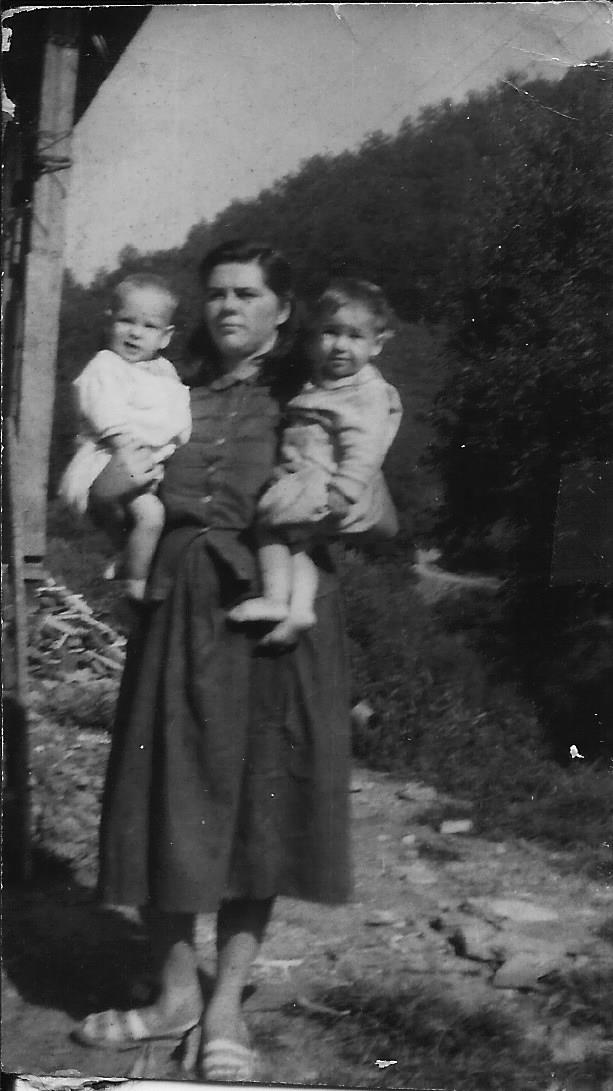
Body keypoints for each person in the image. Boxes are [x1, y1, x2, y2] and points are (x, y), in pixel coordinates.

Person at [72, 241, 352, 1082]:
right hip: (178, 609)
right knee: (164, 796)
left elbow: (373, 507)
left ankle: (224, 1005)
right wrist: (112, 485)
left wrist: (352, 503)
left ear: (282, 310)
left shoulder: (310, 398)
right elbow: (104, 499)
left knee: (256, 815)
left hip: (274, 623)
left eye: (247, 294)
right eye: (217, 294)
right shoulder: (165, 386)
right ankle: (171, 994)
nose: (228, 307)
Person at [228, 278, 403, 646]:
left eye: (355, 336)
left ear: (378, 344)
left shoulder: (367, 394)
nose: (340, 345)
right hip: (308, 483)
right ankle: (301, 611)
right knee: (299, 544)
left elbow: (365, 451)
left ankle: (276, 599)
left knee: (269, 528)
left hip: (325, 487)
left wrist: (342, 492)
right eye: (330, 333)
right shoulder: (325, 384)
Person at [58, 273, 191, 600]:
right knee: (150, 515)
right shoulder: (106, 365)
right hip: (109, 456)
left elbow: (174, 408)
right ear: (110, 322)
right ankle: (133, 583)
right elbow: (104, 409)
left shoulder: (165, 371)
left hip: (148, 461)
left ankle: (127, 560)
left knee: (156, 517)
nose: (134, 333)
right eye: (126, 321)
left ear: (165, 336)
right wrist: (123, 445)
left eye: (149, 326)